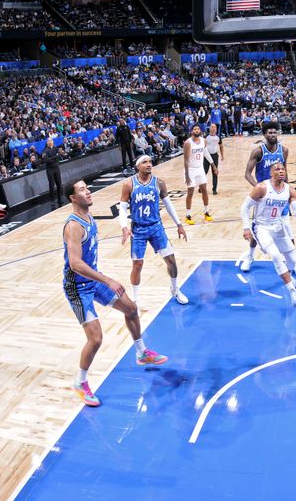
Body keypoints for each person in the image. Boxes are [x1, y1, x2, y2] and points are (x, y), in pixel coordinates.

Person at [63, 180, 168, 407]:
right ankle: (80, 382)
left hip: (92, 280)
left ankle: (141, 352)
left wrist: (125, 228)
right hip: (77, 288)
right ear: (72, 198)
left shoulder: (89, 218)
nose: (87, 191)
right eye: (81, 190)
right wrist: (107, 279)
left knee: (131, 309)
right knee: (96, 338)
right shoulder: (73, 226)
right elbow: (75, 264)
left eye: (86, 187)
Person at [119, 155, 189, 313]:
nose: (149, 164)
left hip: (156, 227)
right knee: (137, 265)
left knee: (171, 260)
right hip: (138, 229)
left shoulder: (159, 183)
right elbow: (122, 208)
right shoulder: (129, 184)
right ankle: (135, 299)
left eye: (150, 162)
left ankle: (174, 289)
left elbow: (168, 204)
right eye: (145, 162)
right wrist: (124, 227)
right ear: (138, 166)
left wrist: (179, 224)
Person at [241, 122, 296, 276]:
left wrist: (289, 192)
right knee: (259, 230)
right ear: (264, 135)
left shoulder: (284, 150)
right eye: (269, 133)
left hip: (280, 195)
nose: (272, 135)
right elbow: (247, 174)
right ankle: (250, 256)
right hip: (263, 197)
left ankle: (294, 263)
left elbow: (285, 171)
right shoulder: (258, 151)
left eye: (274, 132)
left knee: (288, 230)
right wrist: (260, 189)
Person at [240, 161, 296, 305]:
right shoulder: (261, 187)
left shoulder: (290, 190)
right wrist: (246, 227)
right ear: (271, 173)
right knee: (276, 255)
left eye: (283, 169)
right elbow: (245, 207)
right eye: (277, 169)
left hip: (278, 226)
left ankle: (288, 276)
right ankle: (293, 292)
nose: (281, 171)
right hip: (262, 227)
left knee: (292, 258)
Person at [182, 125, 217, 225]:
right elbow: (185, 160)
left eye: (198, 129)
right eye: (194, 129)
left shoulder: (203, 141)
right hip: (191, 169)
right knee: (190, 192)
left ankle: (206, 212)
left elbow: (205, 153)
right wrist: (187, 175)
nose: (197, 130)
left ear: (200, 131)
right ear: (191, 131)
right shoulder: (188, 143)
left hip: (200, 169)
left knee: (204, 189)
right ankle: (188, 215)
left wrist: (213, 165)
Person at [42, 139, 63, 207]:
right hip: (50, 169)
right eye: (49, 141)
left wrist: (52, 158)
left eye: (51, 140)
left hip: (56, 168)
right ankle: (52, 200)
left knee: (59, 184)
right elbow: (46, 160)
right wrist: (55, 157)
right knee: (51, 185)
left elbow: (60, 157)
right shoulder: (45, 151)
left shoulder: (56, 149)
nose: (50, 142)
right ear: (47, 143)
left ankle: (59, 199)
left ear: (53, 142)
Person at [205, 123, 224, 195]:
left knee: (215, 172)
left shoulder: (218, 137)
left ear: (216, 129)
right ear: (209, 128)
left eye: (214, 127)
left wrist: (222, 155)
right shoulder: (206, 137)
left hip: (215, 156)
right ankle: (202, 187)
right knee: (204, 172)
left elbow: (221, 146)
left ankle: (214, 189)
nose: (213, 128)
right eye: (211, 127)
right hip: (206, 156)